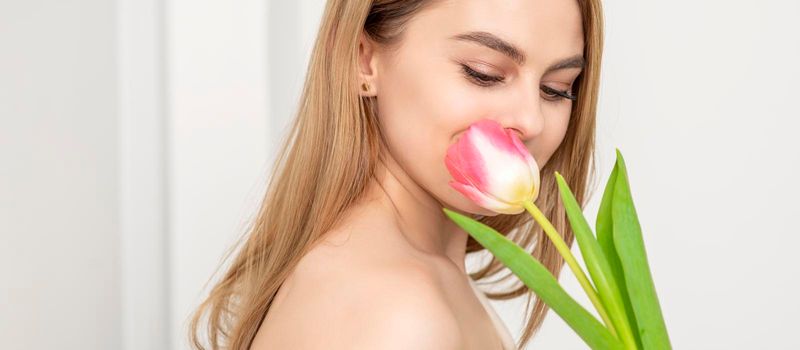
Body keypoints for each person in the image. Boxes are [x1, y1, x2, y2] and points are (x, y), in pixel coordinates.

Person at [189, 0, 604, 349]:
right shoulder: (399, 311)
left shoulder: (416, 275)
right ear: (364, 60)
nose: (531, 120)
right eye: (484, 72)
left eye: (557, 88)